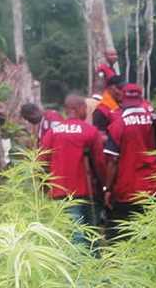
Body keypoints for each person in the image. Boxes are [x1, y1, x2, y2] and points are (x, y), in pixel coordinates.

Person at [103, 83, 156, 240]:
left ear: (123, 101)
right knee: (153, 237)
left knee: (125, 238)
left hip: (127, 190)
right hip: (155, 187)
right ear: (141, 99)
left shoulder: (118, 126)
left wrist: (107, 189)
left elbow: (112, 161)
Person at [41, 95, 106, 248]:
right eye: (85, 108)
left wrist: (44, 187)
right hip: (86, 190)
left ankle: (77, 266)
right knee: (90, 233)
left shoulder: (52, 132)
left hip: (60, 192)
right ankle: (91, 266)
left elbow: (42, 161)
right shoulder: (90, 131)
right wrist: (105, 187)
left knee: (73, 234)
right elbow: (99, 163)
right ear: (77, 109)